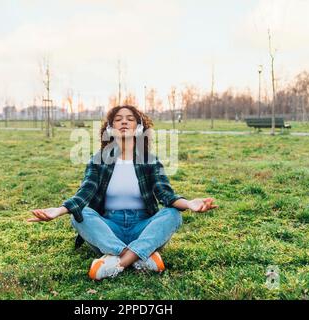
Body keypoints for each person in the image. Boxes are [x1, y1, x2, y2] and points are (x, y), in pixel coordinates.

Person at [28, 105, 218, 281]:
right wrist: (58, 210)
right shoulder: (98, 160)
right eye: (118, 119)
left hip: (142, 227)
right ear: (110, 128)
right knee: (80, 215)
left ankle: (118, 262)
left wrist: (190, 203)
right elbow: (84, 194)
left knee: (173, 214)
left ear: (139, 126)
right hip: (109, 229)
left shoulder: (150, 161)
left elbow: (167, 196)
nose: (124, 122)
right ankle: (140, 256)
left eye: (130, 119)